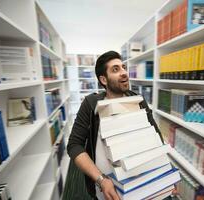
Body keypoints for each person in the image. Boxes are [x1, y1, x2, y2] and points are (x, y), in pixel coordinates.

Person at [67, 51, 163, 200]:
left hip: (140, 179)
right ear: (103, 80)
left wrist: (165, 172)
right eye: (115, 69)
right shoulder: (90, 104)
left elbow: (155, 135)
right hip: (106, 186)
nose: (124, 73)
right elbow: (74, 146)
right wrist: (101, 179)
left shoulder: (138, 100)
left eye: (123, 67)